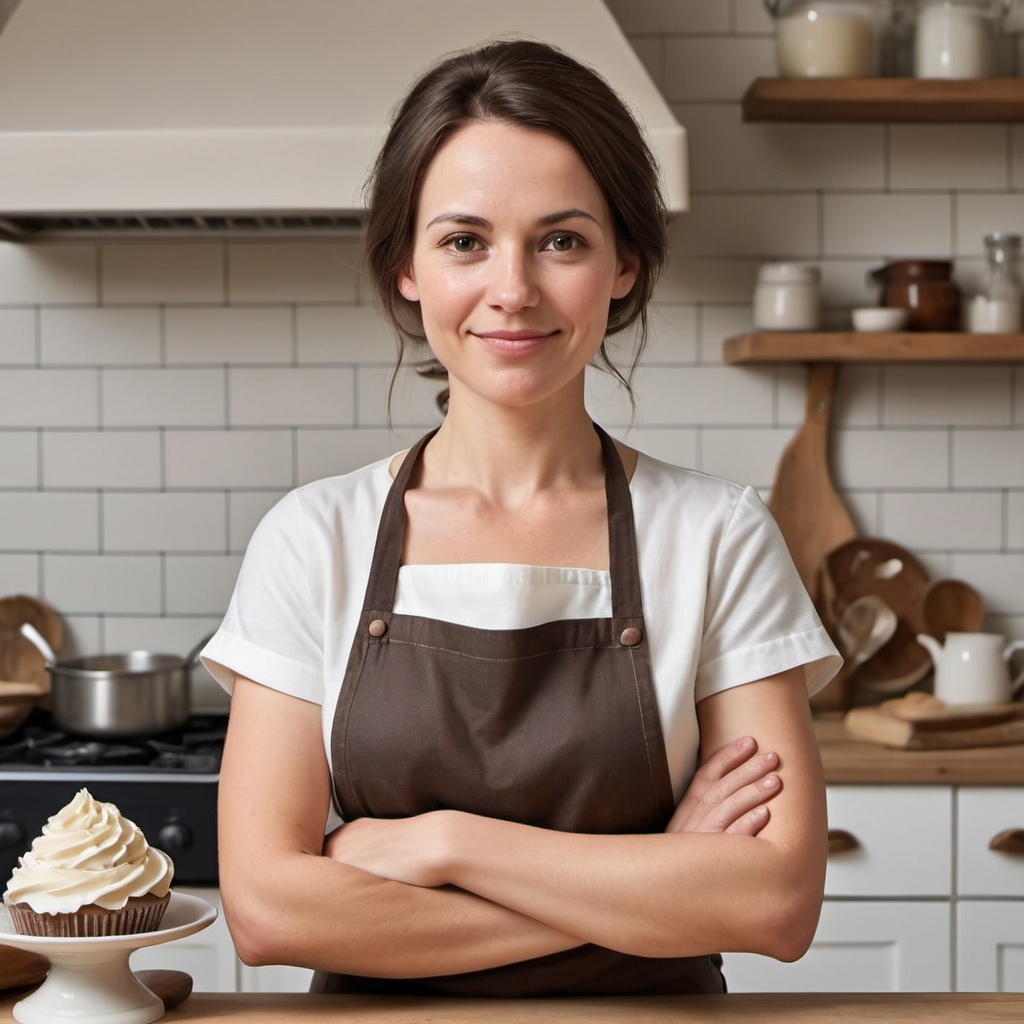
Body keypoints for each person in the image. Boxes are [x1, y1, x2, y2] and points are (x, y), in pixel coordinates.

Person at [203, 39, 841, 997]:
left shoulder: (718, 535)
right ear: (406, 267)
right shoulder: (314, 539)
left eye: (563, 240)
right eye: (465, 241)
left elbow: (775, 906)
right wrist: (655, 888)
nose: (514, 289)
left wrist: (440, 844)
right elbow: (268, 912)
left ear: (625, 263)